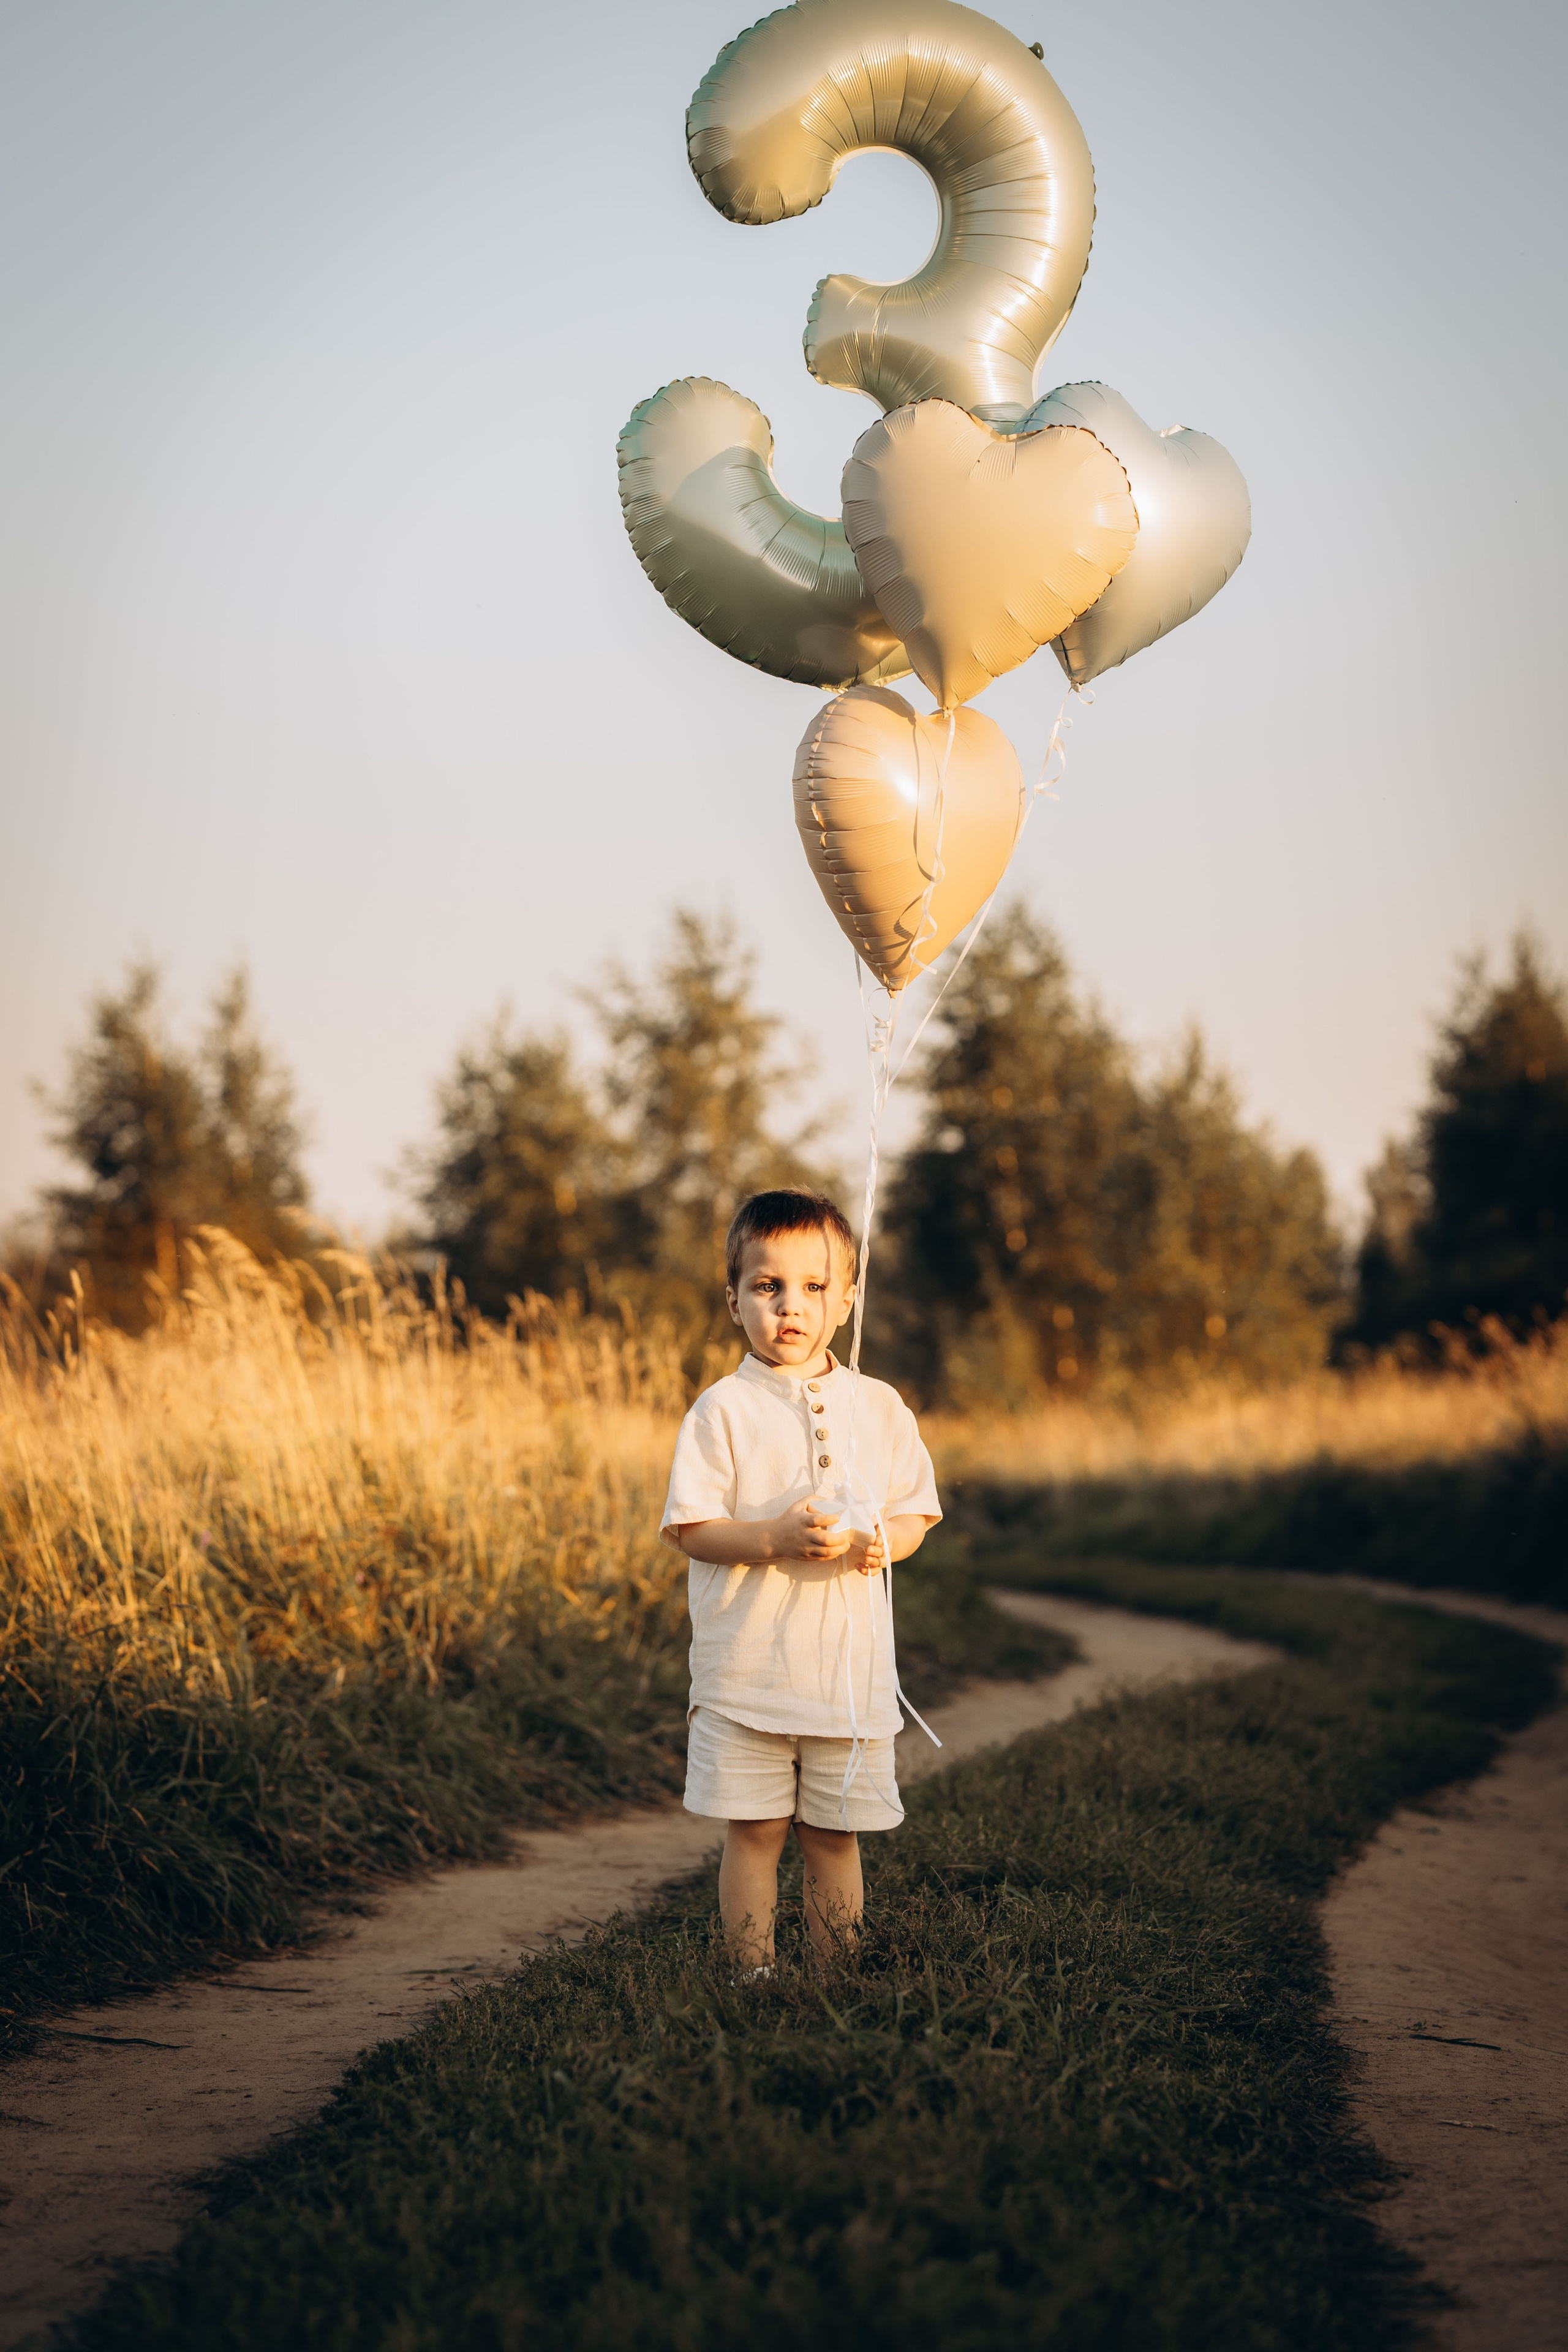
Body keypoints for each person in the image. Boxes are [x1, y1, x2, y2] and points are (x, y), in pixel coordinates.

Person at [660, 1186, 941, 1971]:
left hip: (843, 1682)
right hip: (746, 1674)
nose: (792, 1306)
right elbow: (692, 1530)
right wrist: (774, 1538)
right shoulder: (721, 1412)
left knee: (833, 1834)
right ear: (733, 1300)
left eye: (815, 1287)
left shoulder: (877, 1407)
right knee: (753, 1830)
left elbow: (915, 1512)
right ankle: (753, 1975)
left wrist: (888, 1541)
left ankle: (833, 1977)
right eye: (767, 1286)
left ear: (848, 1299)